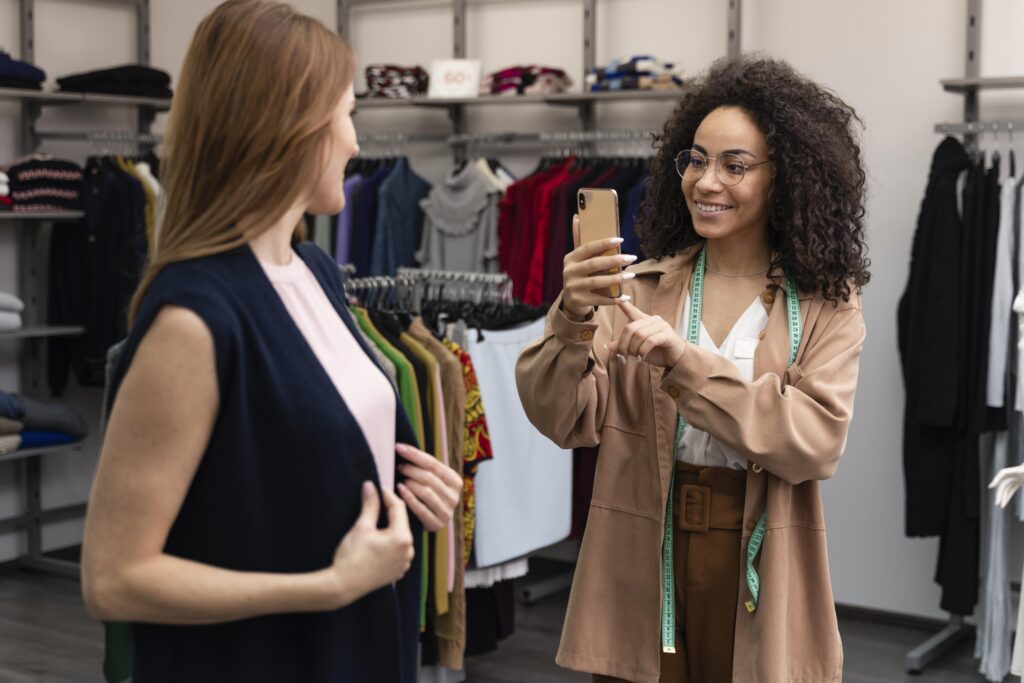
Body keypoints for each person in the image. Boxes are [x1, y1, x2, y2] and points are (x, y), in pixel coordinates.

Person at [80, 2, 462, 682]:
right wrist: (329, 586)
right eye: (346, 114)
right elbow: (113, 579)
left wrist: (409, 486)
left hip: (355, 648)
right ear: (291, 127)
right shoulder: (194, 320)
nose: (354, 142)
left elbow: (300, 459)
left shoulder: (311, 270)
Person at [516, 56, 870, 683]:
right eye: (697, 159)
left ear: (784, 177)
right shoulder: (638, 291)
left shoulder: (825, 304)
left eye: (735, 165)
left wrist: (685, 364)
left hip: (758, 550)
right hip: (645, 541)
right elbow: (561, 416)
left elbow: (814, 441)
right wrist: (571, 313)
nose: (707, 181)